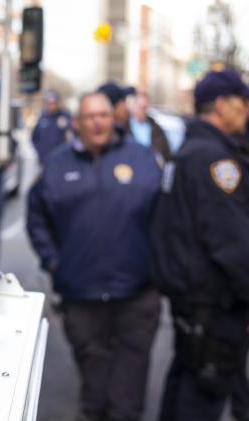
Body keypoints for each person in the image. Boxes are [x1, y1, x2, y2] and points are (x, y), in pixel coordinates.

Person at [27, 92, 161, 421]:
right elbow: (36, 218)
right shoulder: (56, 166)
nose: (98, 121)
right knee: (95, 395)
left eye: (103, 114)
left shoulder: (142, 158)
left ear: (113, 118)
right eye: (89, 116)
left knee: (126, 402)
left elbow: (165, 217)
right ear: (77, 123)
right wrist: (53, 261)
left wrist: (158, 266)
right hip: (81, 298)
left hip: (136, 297)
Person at [151, 67, 249, 421]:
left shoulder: (191, 150)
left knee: (183, 390)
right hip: (214, 309)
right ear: (222, 105)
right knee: (199, 400)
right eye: (243, 102)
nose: (247, 110)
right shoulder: (215, 160)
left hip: (193, 306)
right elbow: (233, 243)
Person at [99, 82, 171, 161]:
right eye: (123, 101)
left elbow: (165, 151)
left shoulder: (155, 127)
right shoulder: (116, 131)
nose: (126, 107)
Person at [31, 89, 72, 162]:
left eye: (54, 103)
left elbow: (72, 137)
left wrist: (66, 126)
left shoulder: (65, 116)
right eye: (50, 103)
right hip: (45, 159)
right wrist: (40, 153)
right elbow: (34, 137)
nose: (52, 106)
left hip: (61, 160)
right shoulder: (42, 117)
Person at [129, 92, 171, 161]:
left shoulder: (155, 128)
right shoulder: (124, 127)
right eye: (140, 107)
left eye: (145, 108)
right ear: (133, 106)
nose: (143, 111)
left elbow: (165, 150)